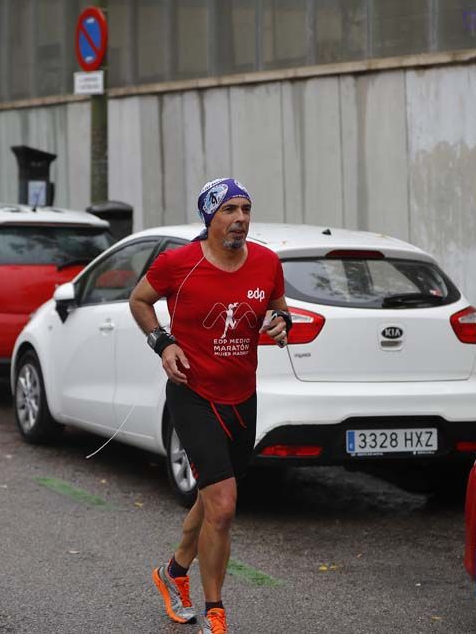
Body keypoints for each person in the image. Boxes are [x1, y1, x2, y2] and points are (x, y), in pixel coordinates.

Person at [129, 178, 291, 634]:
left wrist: (282, 323)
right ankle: (216, 613)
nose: (240, 218)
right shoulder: (177, 264)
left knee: (211, 500)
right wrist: (163, 343)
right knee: (223, 507)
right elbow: (139, 300)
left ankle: (173, 572)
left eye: (246, 209)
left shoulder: (266, 262)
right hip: (193, 394)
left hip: (243, 398)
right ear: (210, 217)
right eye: (229, 210)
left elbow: (280, 310)